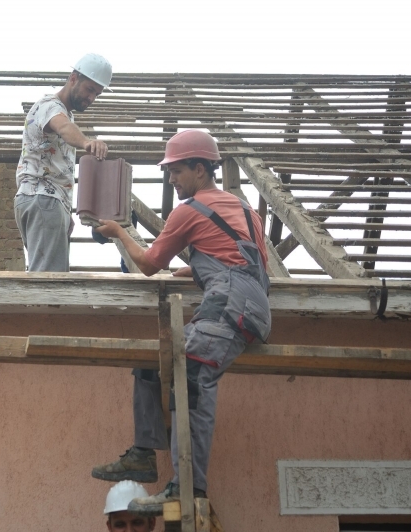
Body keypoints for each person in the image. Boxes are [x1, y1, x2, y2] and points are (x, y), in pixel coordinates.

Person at [90, 130, 272, 508]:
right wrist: (201, 271)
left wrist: (120, 233)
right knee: (153, 362)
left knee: (192, 382)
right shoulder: (246, 210)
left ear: (201, 169)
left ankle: (188, 488)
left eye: (176, 171)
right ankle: (143, 453)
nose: (171, 179)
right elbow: (251, 265)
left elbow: (149, 265)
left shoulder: (188, 210)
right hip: (246, 304)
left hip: (227, 308)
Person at [15, 53, 112, 272]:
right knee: (47, 281)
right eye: (89, 89)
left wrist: (64, 210)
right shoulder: (50, 106)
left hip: (45, 200)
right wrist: (87, 142)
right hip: (43, 198)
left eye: (97, 94)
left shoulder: (63, 112)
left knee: (49, 274)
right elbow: (64, 128)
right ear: (73, 78)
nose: (92, 98)